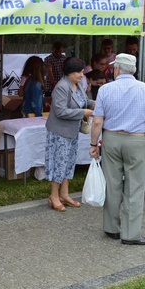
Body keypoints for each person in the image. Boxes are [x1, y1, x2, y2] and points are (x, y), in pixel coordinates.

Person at [90, 53, 145, 245]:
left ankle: (111, 227)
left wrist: (93, 144)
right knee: (135, 186)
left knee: (112, 183)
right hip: (136, 140)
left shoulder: (105, 89)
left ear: (117, 69)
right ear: (134, 70)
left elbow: (97, 121)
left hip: (111, 138)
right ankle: (130, 234)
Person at [44, 57, 94, 211]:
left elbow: (84, 101)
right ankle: (54, 196)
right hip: (60, 132)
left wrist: (97, 104)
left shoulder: (77, 85)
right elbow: (60, 111)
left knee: (69, 162)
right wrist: (84, 112)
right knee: (59, 163)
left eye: (82, 71)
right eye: (78, 72)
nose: (81, 75)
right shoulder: (61, 87)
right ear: (69, 72)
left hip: (72, 132)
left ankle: (64, 194)